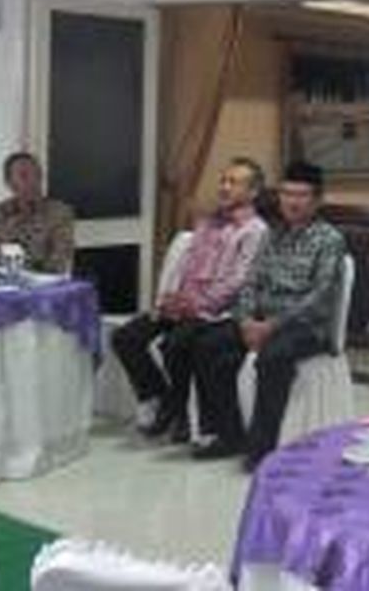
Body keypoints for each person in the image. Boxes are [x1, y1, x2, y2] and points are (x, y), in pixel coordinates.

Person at [189, 161, 347, 470]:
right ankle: (229, 434)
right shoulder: (271, 235)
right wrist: (247, 320)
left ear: (317, 200)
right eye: (287, 193)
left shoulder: (329, 239)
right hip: (261, 321)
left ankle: (262, 450)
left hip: (307, 327)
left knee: (273, 357)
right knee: (208, 344)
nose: (292, 201)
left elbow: (320, 297)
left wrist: (272, 325)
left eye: (301, 195)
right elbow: (251, 282)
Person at [110, 158, 268, 439]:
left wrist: (194, 305)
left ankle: (179, 411)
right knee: (126, 336)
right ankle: (161, 398)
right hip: (184, 304)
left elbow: (238, 281)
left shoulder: (255, 230)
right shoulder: (208, 222)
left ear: (253, 192)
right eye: (223, 180)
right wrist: (170, 300)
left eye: (234, 182)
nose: (224, 187)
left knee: (175, 344)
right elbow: (187, 267)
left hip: (217, 312)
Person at [0, 151, 75, 274]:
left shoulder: (59, 213)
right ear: (9, 183)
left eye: (37, 175)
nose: (33, 181)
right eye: (24, 176)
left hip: (42, 287)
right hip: (1, 285)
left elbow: (58, 261)